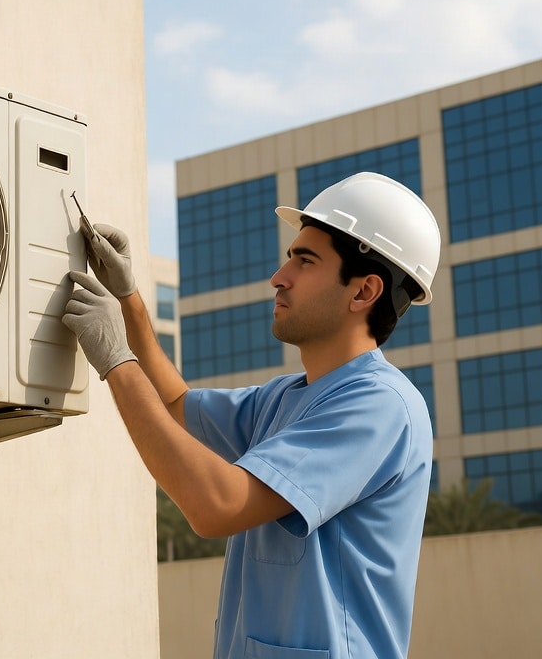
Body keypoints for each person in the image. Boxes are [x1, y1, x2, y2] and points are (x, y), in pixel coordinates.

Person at [62, 172, 440, 659]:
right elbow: (177, 406)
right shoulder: (285, 399)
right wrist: (129, 298)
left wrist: (117, 361)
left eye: (305, 262)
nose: (279, 278)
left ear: (364, 291)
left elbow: (216, 505)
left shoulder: (380, 407)